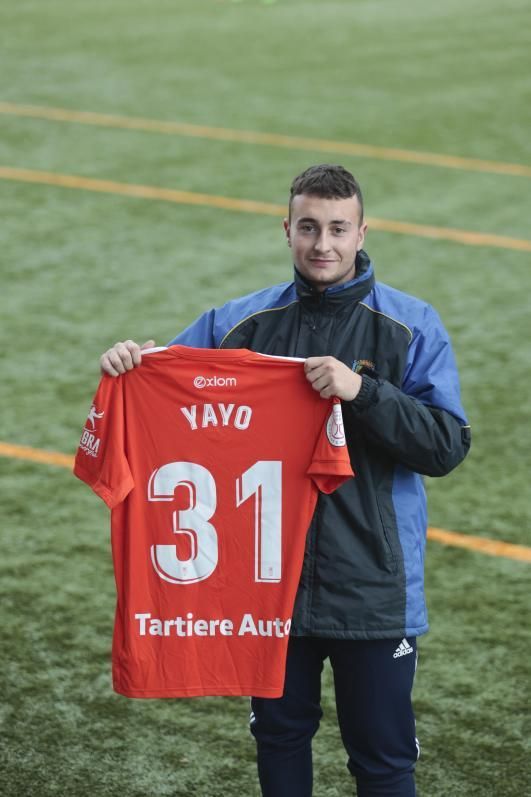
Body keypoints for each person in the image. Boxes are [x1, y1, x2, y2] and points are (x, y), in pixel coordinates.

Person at [99, 164, 470, 797]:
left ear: (361, 232)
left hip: (374, 588)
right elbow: (168, 381)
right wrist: (130, 365)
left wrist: (364, 392)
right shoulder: (240, 324)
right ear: (287, 231)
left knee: (382, 759)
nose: (321, 244)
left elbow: (444, 445)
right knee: (279, 740)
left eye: (336, 228)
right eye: (307, 228)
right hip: (268, 587)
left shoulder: (410, 325)